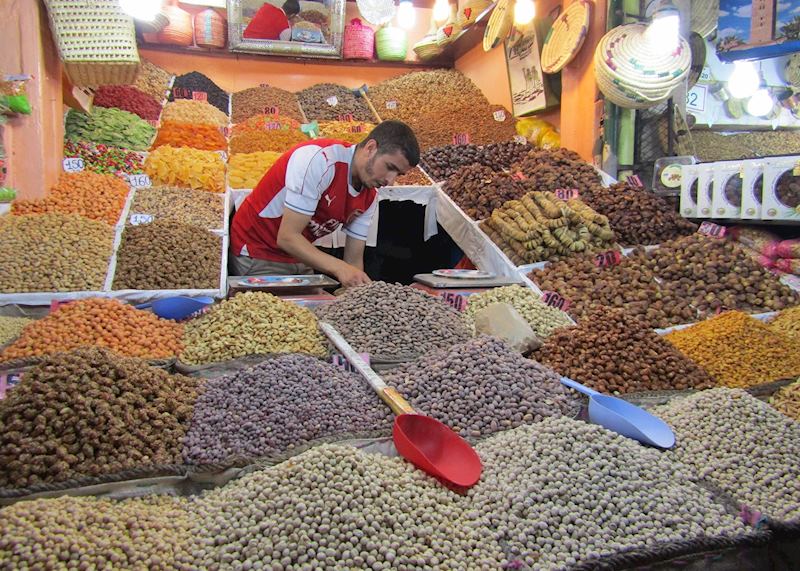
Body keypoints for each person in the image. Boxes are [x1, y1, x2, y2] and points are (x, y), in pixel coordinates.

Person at [230, 120, 420, 287]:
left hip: (299, 256)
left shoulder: (370, 194)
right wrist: (340, 268)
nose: (391, 180)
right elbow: (287, 237)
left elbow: (353, 261)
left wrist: (358, 293)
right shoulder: (320, 160)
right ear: (370, 148)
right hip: (257, 251)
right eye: (390, 168)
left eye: (399, 174)